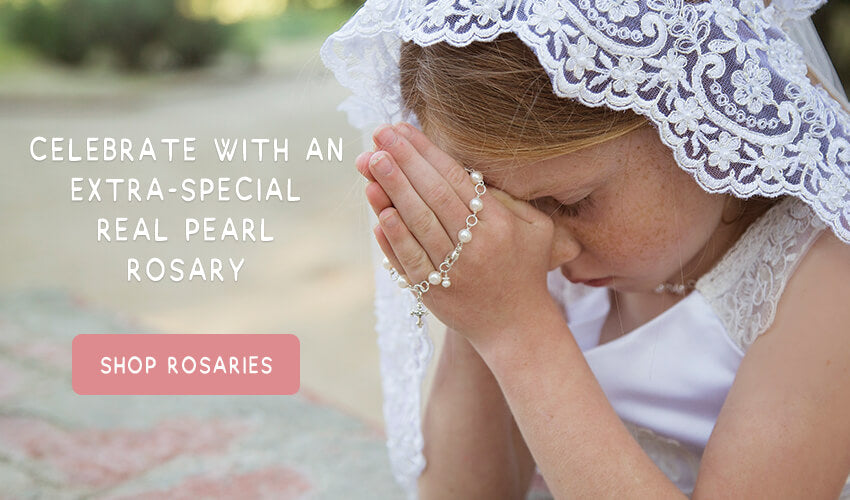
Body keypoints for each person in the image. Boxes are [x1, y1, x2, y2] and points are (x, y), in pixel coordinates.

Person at [322, 0, 850, 498]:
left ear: (703, 124)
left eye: (568, 202)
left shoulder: (828, 275)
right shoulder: (548, 252)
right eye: (494, 206)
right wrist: (477, 302)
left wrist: (518, 332)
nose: (538, 244)